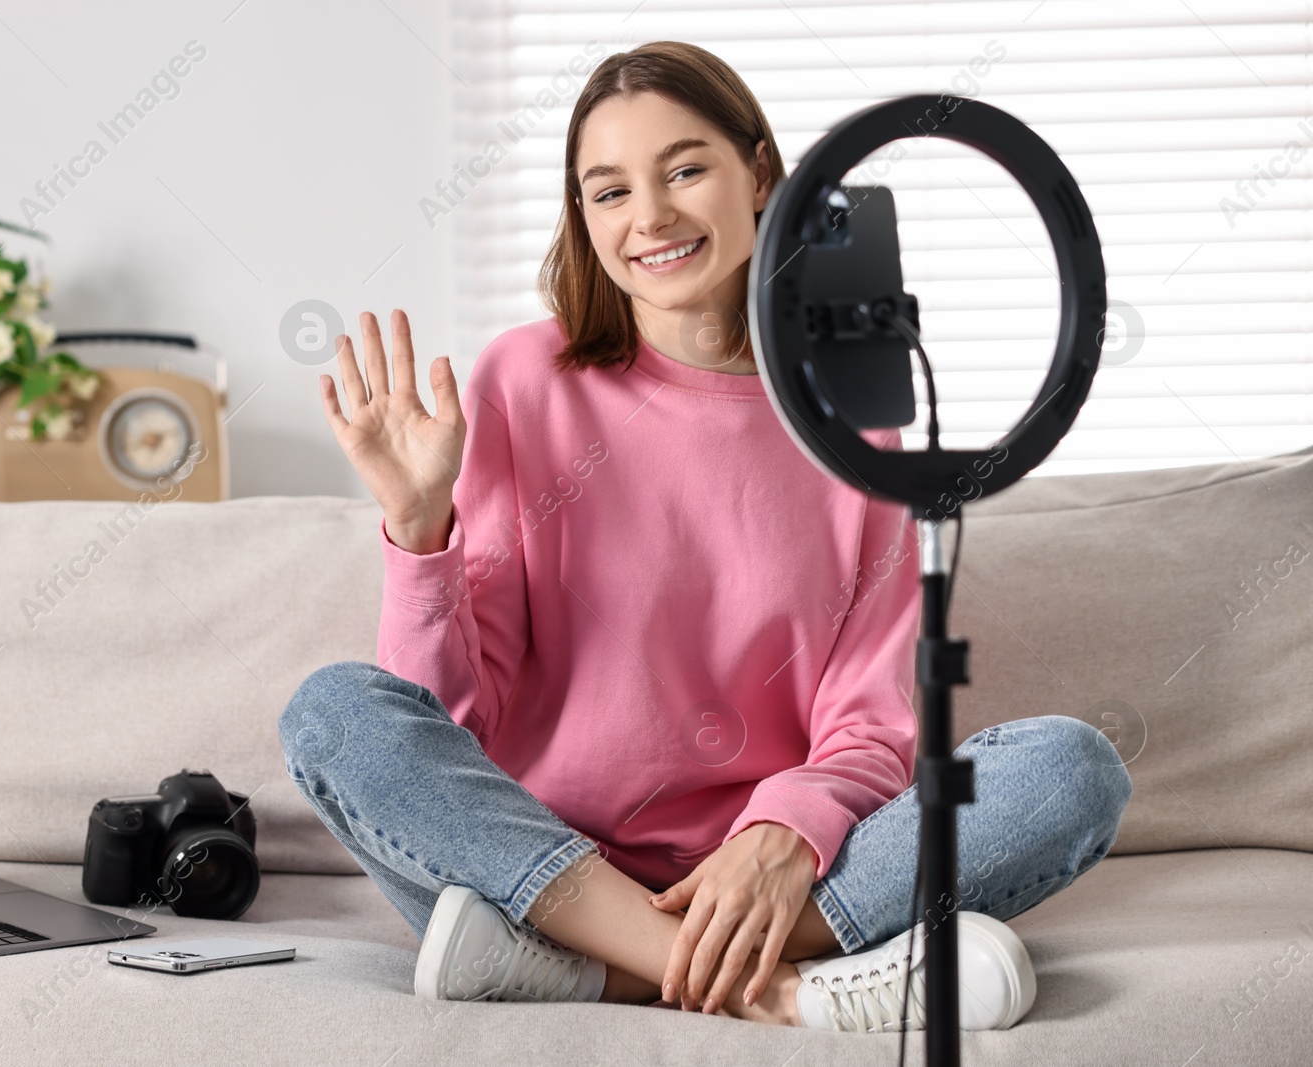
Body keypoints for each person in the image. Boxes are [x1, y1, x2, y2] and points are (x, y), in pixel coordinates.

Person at [278, 40, 1131, 1032]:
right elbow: (444, 724)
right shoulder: (522, 382)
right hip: (541, 865)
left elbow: (869, 721)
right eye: (608, 191)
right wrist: (420, 528)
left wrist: (783, 832)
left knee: (1070, 769)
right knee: (333, 712)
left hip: (764, 877)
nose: (650, 217)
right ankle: (778, 989)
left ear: (759, 173)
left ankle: (600, 973)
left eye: (684, 169)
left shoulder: (850, 416)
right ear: (581, 215)